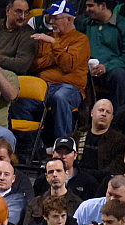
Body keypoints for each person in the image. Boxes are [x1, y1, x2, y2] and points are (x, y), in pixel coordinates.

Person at [21, 0, 89, 139]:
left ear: (69, 19)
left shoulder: (80, 40)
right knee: (21, 101)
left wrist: (54, 44)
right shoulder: (45, 38)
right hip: (45, 86)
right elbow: (34, 66)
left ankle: (64, 145)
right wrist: (57, 54)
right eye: (50, 17)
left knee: (60, 97)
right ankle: (32, 146)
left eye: (55, 18)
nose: (51, 22)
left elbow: (68, 65)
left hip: (70, 88)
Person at [77, 0, 125, 110]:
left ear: (103, 6)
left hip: (112, 71)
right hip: (87, 70)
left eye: (90, 6)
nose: (87, 10)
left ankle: (115, 119)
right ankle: (83, 120)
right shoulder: (85, 24)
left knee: (119, 75)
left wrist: (107, 67)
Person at [71, 99, 125, 183]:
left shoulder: (120, 141)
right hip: (75, 179)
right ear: (92, 113)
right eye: (101, 110)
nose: (104, 114)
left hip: (101, 182)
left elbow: (115, 169)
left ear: (112, 118)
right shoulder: (77, 136)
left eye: (108, 112)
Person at [0, 0, 36, 75]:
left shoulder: (29, 34)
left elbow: (22, 65)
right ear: (8, 10)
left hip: (8, 76)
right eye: (19, 11)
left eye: (26, 12)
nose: (23, 17)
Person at [32, 136, 98, 200]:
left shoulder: (89, 182)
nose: (63, 156)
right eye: (59, 152)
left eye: (67, 152)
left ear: (75, 155)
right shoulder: (41, 181)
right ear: (53, 154)